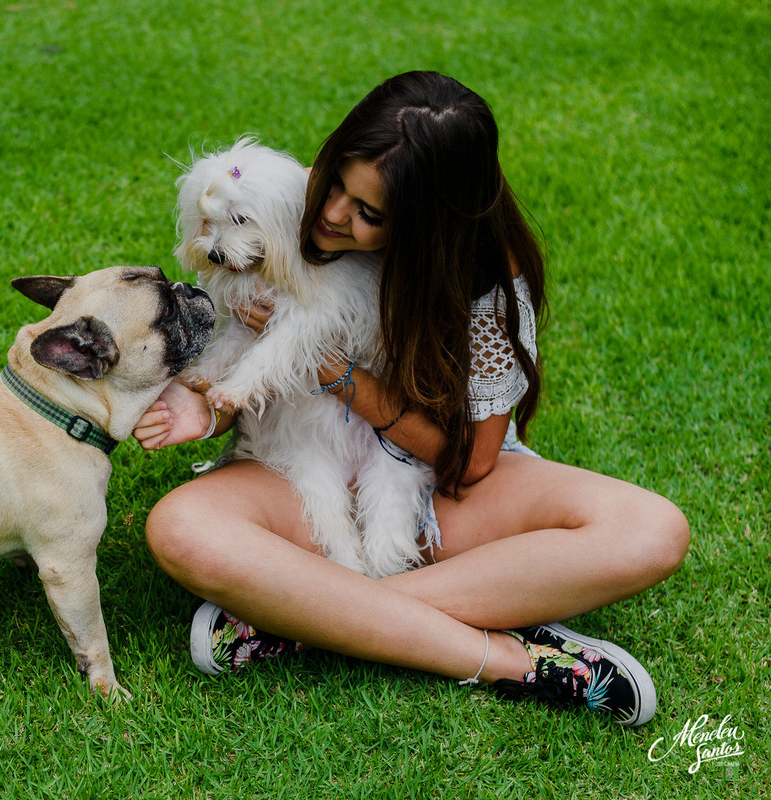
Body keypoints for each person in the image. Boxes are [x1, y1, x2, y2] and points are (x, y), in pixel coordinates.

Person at [134, 71, 689, 726]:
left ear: (432, 224)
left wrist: (339, 374)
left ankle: (303, 620)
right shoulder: (280, 197)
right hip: (298, 463)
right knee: (180, 529)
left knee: (652, 531)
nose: (336, 215)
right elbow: (242, 337)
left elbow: (472, 464)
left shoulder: (486, 275)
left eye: (371, 214)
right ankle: (513, 656)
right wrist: (211, 407)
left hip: (434, 483)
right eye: (336, 182)